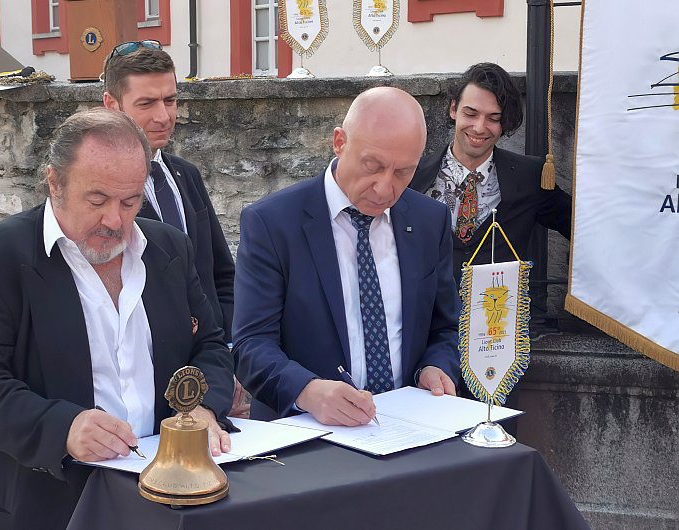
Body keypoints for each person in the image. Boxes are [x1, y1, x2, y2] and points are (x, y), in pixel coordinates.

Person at [0, 108, 234, 529]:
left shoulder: (170, 248)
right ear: (55, 183)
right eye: (97, 200)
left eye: (130, 201)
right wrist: (63, 428)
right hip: (39, 504)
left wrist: (203, 408)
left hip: (162, 495)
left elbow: (209, 344)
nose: (115, 220)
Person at [233, 87, 460, 425]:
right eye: (372, 166)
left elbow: (446, 326)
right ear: (339, 142)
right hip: (307, 433)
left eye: (403, 172)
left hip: (410, 425)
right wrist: (307, 391)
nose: (385, 188)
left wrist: (435, 366)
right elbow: (251, 345)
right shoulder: (272, 223)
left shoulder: (429, 220)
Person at [102, 40, 235, 344]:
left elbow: (221, 273)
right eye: (146, 103)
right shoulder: (96, 192)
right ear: (112, 104)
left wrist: (226, 343)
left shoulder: (186, 174)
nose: (163, 116)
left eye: (170, 100)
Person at [409, 62, 572, 283]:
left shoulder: (530, 177)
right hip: (429, 305)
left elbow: (582, 228)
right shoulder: (412, 175)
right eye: (471, 114)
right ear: (453, 109)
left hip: (499, 304)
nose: (479, 128)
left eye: (493, 118)